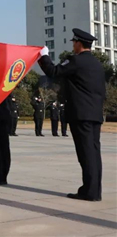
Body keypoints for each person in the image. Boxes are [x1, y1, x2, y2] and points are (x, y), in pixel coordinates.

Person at [38, 28, 105, 202]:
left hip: (81, 113)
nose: (73, 45)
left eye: (74, 42)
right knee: (94, 152)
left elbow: (53, 72)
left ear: (78, 43)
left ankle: (89, 192)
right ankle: (94, 190)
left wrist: (43, 56)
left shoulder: (76, 60)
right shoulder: (96, 64)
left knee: (86, 153)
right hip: (95, 113)